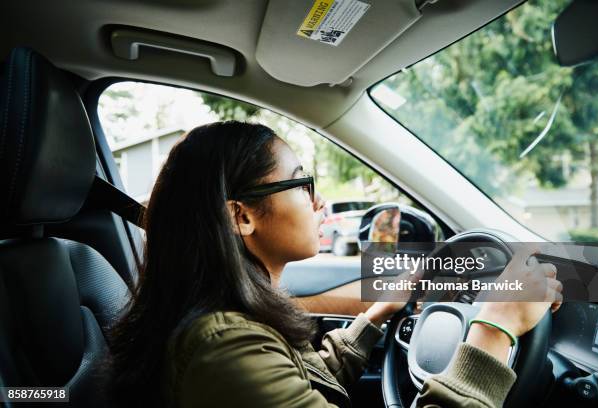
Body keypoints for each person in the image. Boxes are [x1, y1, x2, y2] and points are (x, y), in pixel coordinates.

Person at [104, 121, 562, 408]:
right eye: (301, 183)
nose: (319, 200)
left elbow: (302, 381)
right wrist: (493, 330)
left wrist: (379, 312)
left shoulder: (235, 320)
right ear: (241, 217)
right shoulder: (222, 348)